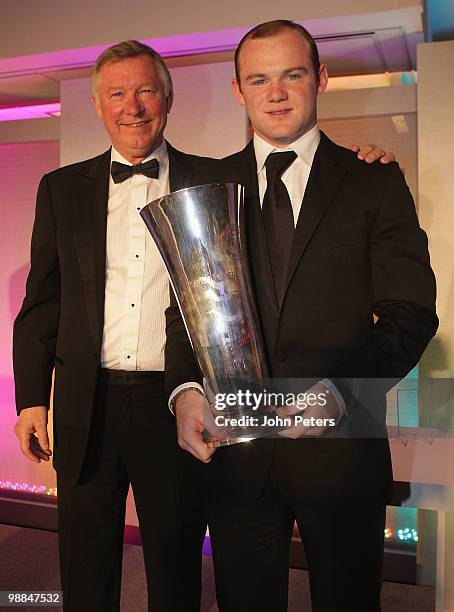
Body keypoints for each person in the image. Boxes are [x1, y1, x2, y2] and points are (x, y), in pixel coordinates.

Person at [12, 37, 394, 612]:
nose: (132, 106)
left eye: (146, 90)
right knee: (84, 564)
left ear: (168, 99)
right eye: (117, 93)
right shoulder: (61, 190)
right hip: (87, 404)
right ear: (97, 104)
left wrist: (362, 161)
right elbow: (43, 302)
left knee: (176, 560)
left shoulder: (218, 180)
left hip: (178, 399)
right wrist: (30, 398)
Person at [166, 21, 438, 612]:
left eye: (292, 74)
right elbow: (183, 313)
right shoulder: (209, 188)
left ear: (321, 78)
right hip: (237, 457)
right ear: (239, 91)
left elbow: (411, 313)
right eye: (258, 79)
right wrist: (186, 394)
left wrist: (340, 395)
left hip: (343, 452)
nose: (276, 92)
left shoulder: (374, 179)